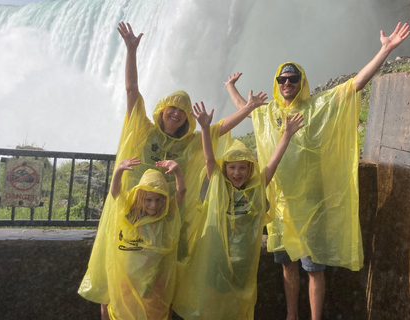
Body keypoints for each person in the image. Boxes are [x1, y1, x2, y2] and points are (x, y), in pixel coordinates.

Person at [78, 21, 268, 319]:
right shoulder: (143, 129)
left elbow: (219, 128)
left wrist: (249, 108)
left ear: (186, 119)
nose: (177, 113)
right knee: (115, 262)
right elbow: (131, 90)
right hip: (133, 209)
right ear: (162, 110)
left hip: (169, 213)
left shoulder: (192, 142)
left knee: (163, 270)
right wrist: (130, 51)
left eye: (182, 109)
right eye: (172, 108)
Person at [224, 22, 410, 320]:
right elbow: (247, 112)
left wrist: (385, 50)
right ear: (277, 82)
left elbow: (355, 85)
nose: (287, 83)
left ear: (301, 82)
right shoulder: (270, 113)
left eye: (293, 78)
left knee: (314, 266)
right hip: (281, 204)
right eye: (282, 79)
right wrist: (230, 87)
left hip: (311, 203)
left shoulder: (316, 106)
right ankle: (291, 316)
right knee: (287, 265)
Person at [171, 100, 303, 320]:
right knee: (211, 303)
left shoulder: (256, 187)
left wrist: (287, 136)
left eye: (242, 167)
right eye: (232, 167)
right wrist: (205, 128)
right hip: (215, 260)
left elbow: (272, 164)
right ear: (225, 169)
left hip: (243, 263)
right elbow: (209, 158)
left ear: (250, 168)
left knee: (237, 307)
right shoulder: (218, 185)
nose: (237, 172)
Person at [105, 158, 185, 320]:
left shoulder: (166, 214)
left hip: (156, 274)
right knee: (129, 309)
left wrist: (177, 171)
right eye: (148, 200)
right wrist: (119, 170)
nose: (153, 205)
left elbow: (181, 192)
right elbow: (115, 193)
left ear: (163, 199)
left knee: (157, 310)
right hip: (131, 275)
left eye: (158, 200)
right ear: (140, 197)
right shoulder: (131, 214)